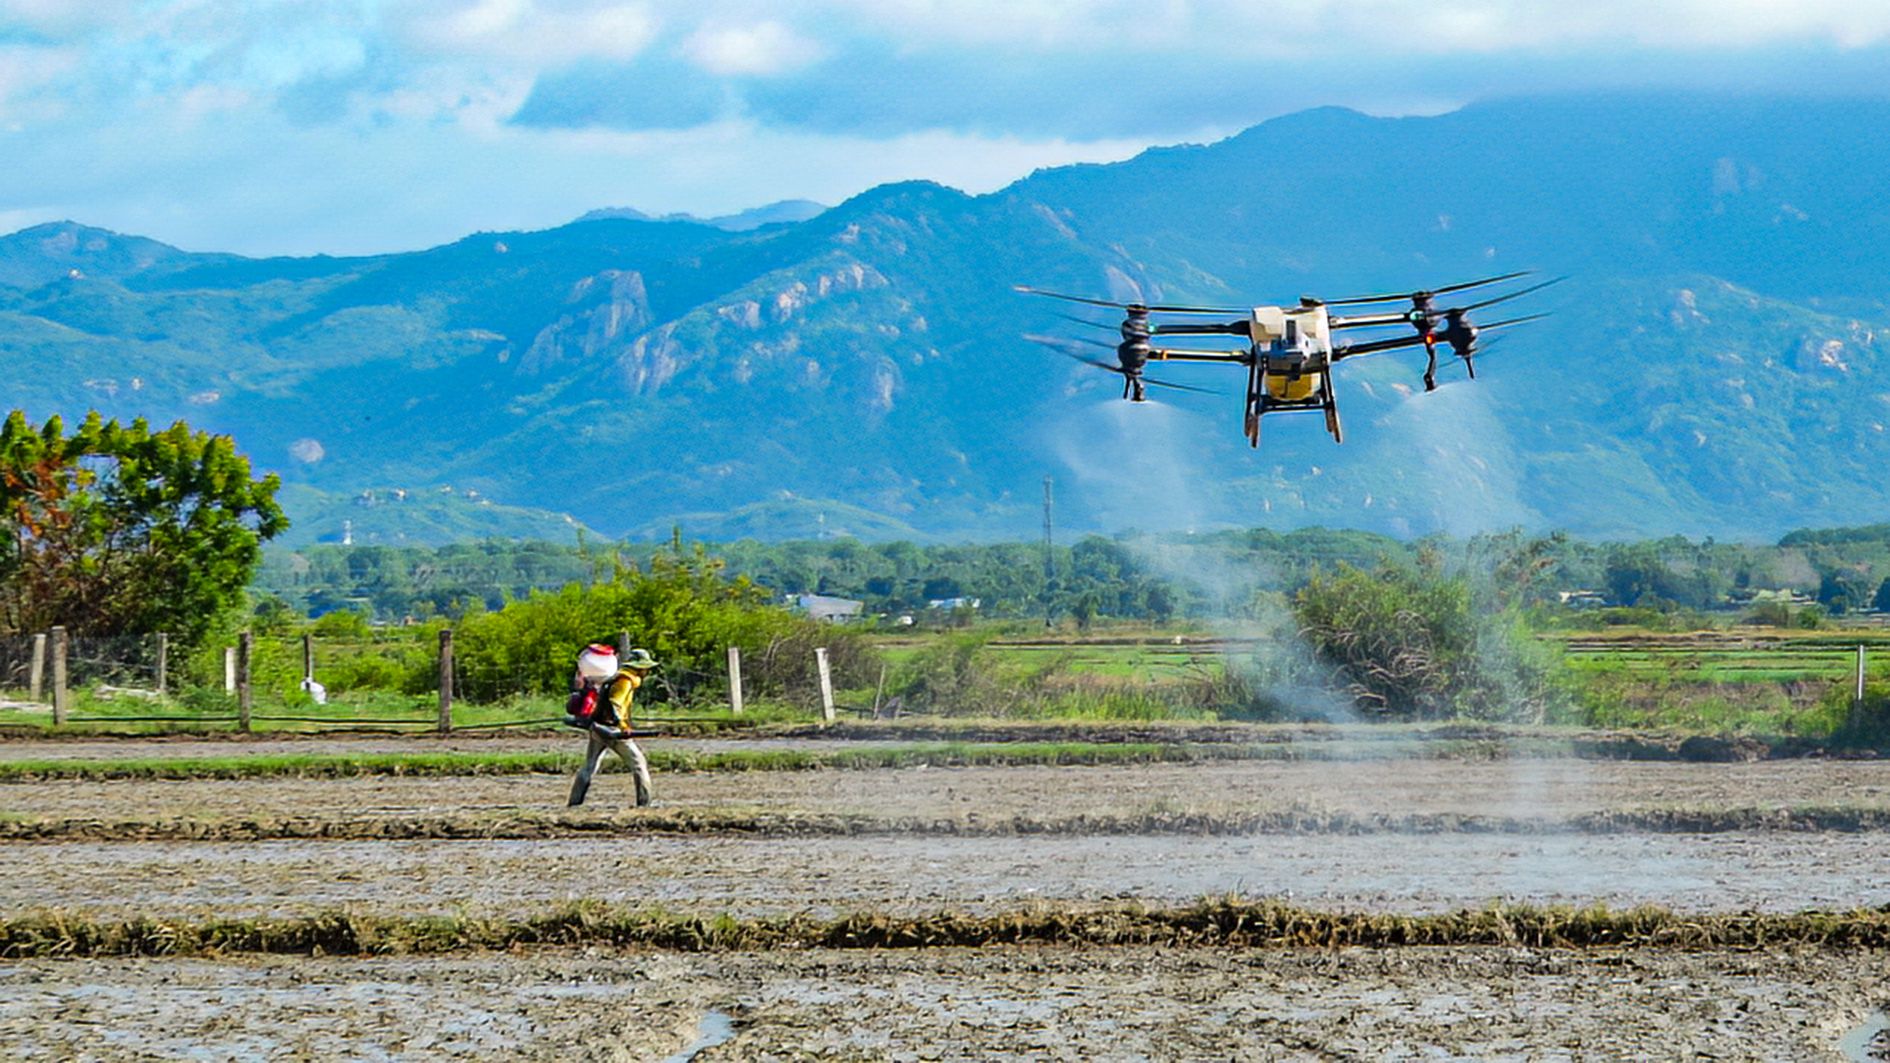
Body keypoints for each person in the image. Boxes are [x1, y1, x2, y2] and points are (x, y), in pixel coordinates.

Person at [566, 644, 658, 807]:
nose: (647, 672)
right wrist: (623, 726)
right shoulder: (625, 680)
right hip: (612, 729)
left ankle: (575, 802)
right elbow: (615, 703)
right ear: (639, 668)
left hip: (598, 727)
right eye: (646, 668)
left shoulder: (615, 677)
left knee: (590, 766)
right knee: (639, 763)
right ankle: (645, 802)